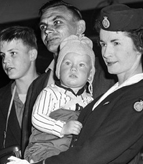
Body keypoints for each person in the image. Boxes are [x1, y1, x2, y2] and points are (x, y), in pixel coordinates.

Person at [9, 3, 143, 164]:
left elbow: (91, 154)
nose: (106, 53)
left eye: (116, 43)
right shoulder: (115, 92)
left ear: (141, 44)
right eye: (103, 44)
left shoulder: (139, 97)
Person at [20, 0, 116, 155]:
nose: (48, 31)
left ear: (80, 27)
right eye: (43, 27)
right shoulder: (37, 85)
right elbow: (30, 138)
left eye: (57, 22)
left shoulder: (109, 75)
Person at [24, 34, 95, 162]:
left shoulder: (90, 101)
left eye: (81, 65)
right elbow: (37, 117)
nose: (73, 68)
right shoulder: (50, 93)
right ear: (58, 69)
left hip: (71, 153)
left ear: (90, 75)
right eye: (67, 63)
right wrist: (61, 128)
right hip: (46, 149)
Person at [0, 26, 39, 162]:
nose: (5, 61)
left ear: (32, 55)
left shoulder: (55, 92)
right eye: (3, 55)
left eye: (13, 53)